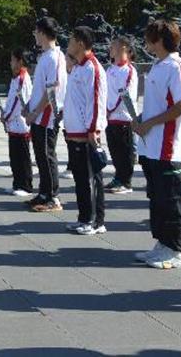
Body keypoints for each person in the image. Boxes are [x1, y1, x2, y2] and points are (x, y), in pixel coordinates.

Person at [133, 20, 181, 269]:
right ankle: (163, 244)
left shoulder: (177, 66)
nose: (145, 43)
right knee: (157, 198)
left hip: (170, 146)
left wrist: (149, 123)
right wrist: (141, 119)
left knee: (172, 199)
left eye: (149, 38)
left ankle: (176, 251)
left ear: (158, 40)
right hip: (152, 145)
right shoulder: (158, 65)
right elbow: (158, 104)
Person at [62, 27, 108, 235]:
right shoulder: (77, 68)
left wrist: (93, 130)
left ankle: (95, 221)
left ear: (80, 43)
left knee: (90, 178)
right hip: (73, 132)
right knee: (80, 179)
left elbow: (96, 101)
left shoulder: (92, 68)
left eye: (71, 40)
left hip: (86, 133)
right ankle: (84, 217)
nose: (69, 44)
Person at [26, 16, 68, 213]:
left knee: (47, 155)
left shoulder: (55, 57)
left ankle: (53, 196)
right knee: (40, 156)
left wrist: (36, 112)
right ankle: (44, 192)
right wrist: (29, 106)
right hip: (39, 114)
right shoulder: (45, 56)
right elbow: (40, 88)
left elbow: (52, 89)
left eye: (36, 32)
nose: (35, 35)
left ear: (43, 33)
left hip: (47, 116)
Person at [104, 36, 139, 194]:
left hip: (124, 118)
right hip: (110, 118)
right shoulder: (110, 70)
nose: (111, 48)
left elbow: (124, 94)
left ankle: (126, 182)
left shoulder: (129, 70)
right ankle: (118, 177)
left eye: (114, 45)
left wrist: (110, 108)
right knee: (115, 151)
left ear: (124, 47)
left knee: (125, 152)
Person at [1, 48, 34, 197]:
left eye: (12, 60)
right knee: (14, 157)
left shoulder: (22, 78)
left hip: (20, 124)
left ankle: (26, 185)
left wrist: (6, 116)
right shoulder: (16, 78)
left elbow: (18, 103)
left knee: (22, 157)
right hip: (14, 124)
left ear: (20, 61)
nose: (10, 63)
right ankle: (17, 183)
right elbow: (11, 100)